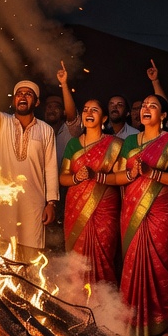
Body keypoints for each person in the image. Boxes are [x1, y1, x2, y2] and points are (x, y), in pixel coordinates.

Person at [116, 93, 168, 336]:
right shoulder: (128, 142)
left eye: (153, 106)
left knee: (161, 266)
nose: (146, 108)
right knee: (133, 263)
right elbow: (122, 176)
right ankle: (132, 322)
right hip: (133, 208)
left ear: (164, 116)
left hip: (162, 211)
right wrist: (132, 174)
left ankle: (165, 325)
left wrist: (151, 173)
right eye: (144, 105)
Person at [0, 62, 59, 266]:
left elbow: (50, 168)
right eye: (19, 94)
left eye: (28, 94)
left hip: (34, 204)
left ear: (36, 102)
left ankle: (28, 295)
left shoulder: (46, 130)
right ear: (14, 100)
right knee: (2, 254)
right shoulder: (1, 122)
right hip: (5, 203)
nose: (23, 96)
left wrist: (51, 203)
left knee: (30, 259)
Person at [58, 97, 122, 285]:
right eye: (85, 109)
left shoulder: (115, 145)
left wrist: (99, 176)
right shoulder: (73, 144)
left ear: (103, 119)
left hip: (105, 210)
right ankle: (75, 305)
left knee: (104, 257)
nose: (88, 113)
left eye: (94, 110)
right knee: (77, 261)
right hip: (76, 209)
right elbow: (63, 178)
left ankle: (104, 307)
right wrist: (77, 178)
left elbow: (122, 177)